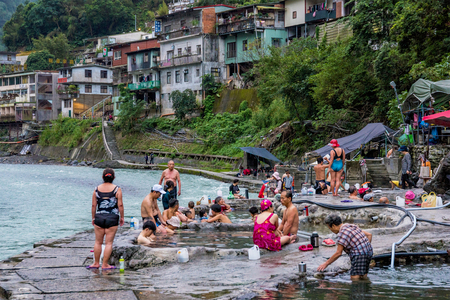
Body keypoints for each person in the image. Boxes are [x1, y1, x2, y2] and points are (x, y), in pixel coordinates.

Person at [317, 214, 373, 280]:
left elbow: (338, 253)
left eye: (330, 228)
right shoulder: (350, 226)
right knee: (363, 276)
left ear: (333, 226)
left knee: (355, 279)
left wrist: (326, 264)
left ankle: (358, 289)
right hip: (369, 251)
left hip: (359, 255)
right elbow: (369, 235)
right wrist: (364, 248)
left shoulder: (342, 233)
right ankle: (366, 288)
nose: (331, 230)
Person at [88, 168, 124, 270]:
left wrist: (93, 217)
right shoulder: (117, 189)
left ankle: (96, 263)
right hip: (112, 218)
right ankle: (105, 264)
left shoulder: (96, 189)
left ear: (103, 177)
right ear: (114, 177)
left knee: (98, 242)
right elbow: (120, 205)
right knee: (109, 243)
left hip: (99, 217)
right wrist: (122, 217)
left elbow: (93, 206)